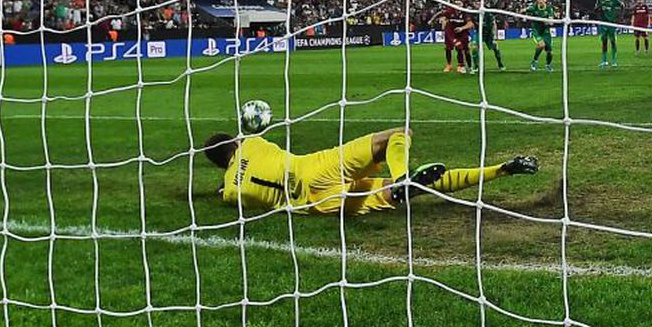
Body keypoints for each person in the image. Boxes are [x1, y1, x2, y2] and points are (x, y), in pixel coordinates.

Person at [203, 125, 539, 215]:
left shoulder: (232, 192)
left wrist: (223, 186)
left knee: (396, 193)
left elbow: (231, 189)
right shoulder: (252, 143)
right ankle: (501, 169)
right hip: (314, 167)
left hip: (315, 204)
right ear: (234, 143)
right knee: (397, 135)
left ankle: (400, 186)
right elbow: (252, 133)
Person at [437, 2, 475, 73]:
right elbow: (442, 16)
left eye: (460, 4)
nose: (458, 5)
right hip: (452, 33)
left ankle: (468, 67)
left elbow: (470, 24)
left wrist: (461, 28)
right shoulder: (450, 11)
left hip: (462, 33)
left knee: (465, 50)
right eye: (457, 4)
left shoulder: (465, 12)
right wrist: (442, 27)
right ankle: (452, 65)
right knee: (451, 48)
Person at [525, 0, 557, 72]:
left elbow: (551, 22)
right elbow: (524, 10)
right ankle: (534, 61)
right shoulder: (534, 7)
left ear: (545, 0)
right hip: (536, 30)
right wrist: (522, 12)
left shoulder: (549, 9)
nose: (541, 1)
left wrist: (548, 21)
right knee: (541, 45)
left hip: (546, 32)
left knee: (549, 52)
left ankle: (548, 65)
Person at [594, 0, 623, 68]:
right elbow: (595, 9)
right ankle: (604, 61)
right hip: (603, 23)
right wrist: (598, 9)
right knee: (604, 42)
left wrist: (620, 17)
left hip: (611, 23)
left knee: (613, 41)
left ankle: (614, 61)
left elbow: (622, 5)